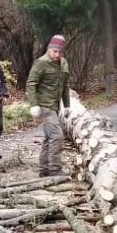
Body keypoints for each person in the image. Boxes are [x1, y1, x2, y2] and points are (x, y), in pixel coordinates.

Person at [25, 34, 70, 177]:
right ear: (49, 49)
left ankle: (44, 169)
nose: (57, 55)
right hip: (45, 106)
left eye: (60, 52)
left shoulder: (63, 63)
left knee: (48, 137)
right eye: (54, 51)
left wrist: (67, 105)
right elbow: (31, 83)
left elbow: (65, 85)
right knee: (57, 136)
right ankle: (55, 170)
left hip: (55, 106)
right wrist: (34, 105)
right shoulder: (41, 63)